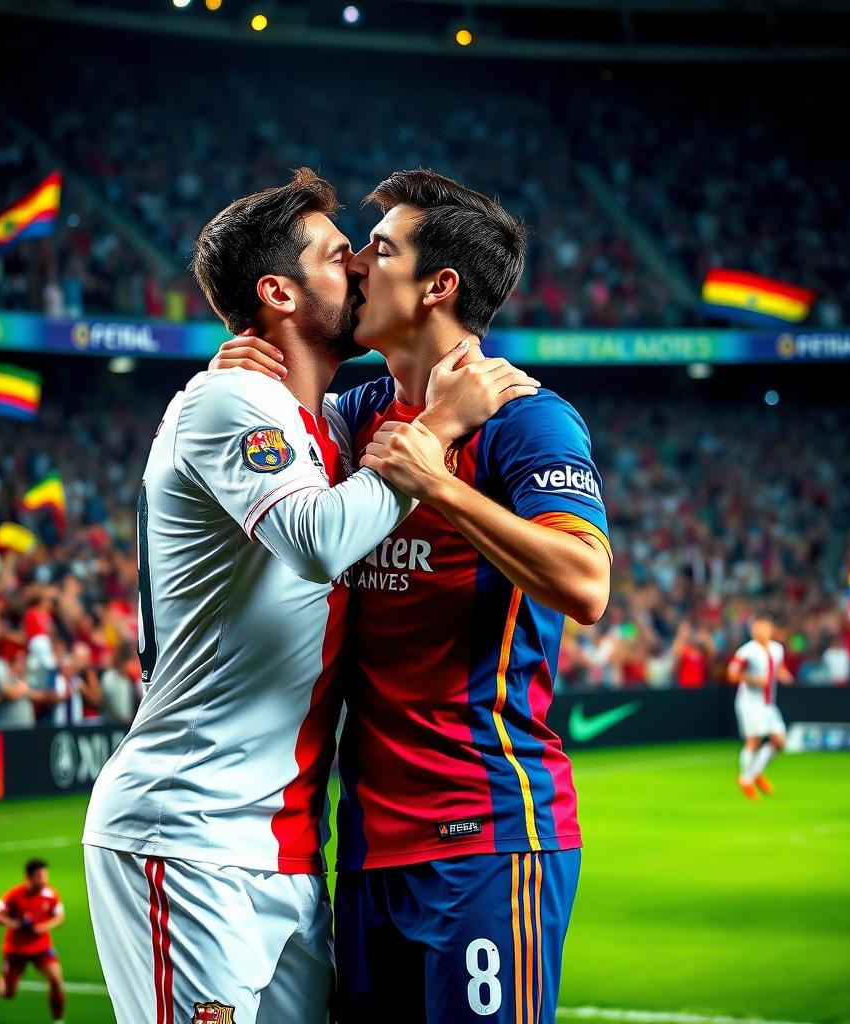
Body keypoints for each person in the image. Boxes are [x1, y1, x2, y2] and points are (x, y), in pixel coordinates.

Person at [82, 169, 534, 1024]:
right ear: (279, 292)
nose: (361, 268)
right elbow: (320, 540)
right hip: (189, 833)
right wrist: (437, 427)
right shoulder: (229, 398)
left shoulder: (319, 422)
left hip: (289, 850)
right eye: (339, 258)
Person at [213, 168, 611, 1024]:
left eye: (381, 249)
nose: (355, 262)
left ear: (440, 287)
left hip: (486, 830)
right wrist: (239, 363)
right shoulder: (350, 415)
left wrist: (444, 488)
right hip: (361, 849)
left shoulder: (526, 420)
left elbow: (586, 583)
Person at [0, 858, 67, 1021]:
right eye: (40, 876)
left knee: (56, 979)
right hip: (16, 950)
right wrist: (14, 924)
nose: (44, 880)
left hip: (41, 947)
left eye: (45, 876)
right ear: (29, 876)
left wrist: (43, 927)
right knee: (7, 993)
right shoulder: (14, 894)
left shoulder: (51, 894)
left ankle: (58, 1020)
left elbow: (60, 917)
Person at [727, 615, 794, 800]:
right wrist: (754, 680)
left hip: (768, 704)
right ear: (752, 630)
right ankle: (746, 780)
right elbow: (732, 674)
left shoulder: (776, 649)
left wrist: (785, 676)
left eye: (764, 628)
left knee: (780, 742)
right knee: (754, 742)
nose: (760, 631)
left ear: (770, 629)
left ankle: (754, 773)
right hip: (749, 703)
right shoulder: (746, 652)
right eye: (757, 628)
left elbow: (778, 668)